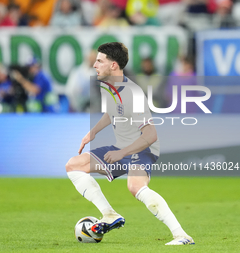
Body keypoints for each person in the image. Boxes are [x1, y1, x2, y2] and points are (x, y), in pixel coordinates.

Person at [65, 42, 195, 245]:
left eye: (100, 61)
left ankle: (182, 236)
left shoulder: (132, 94)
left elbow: (150, 135)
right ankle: (109, 214)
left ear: (114, 65)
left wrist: (122, 152)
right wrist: (93, 132)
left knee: (135, 186)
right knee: (74, 165)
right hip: (121, 148)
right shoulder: (108, 86)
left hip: (142, 148)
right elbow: (111, 113)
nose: (94, 65)